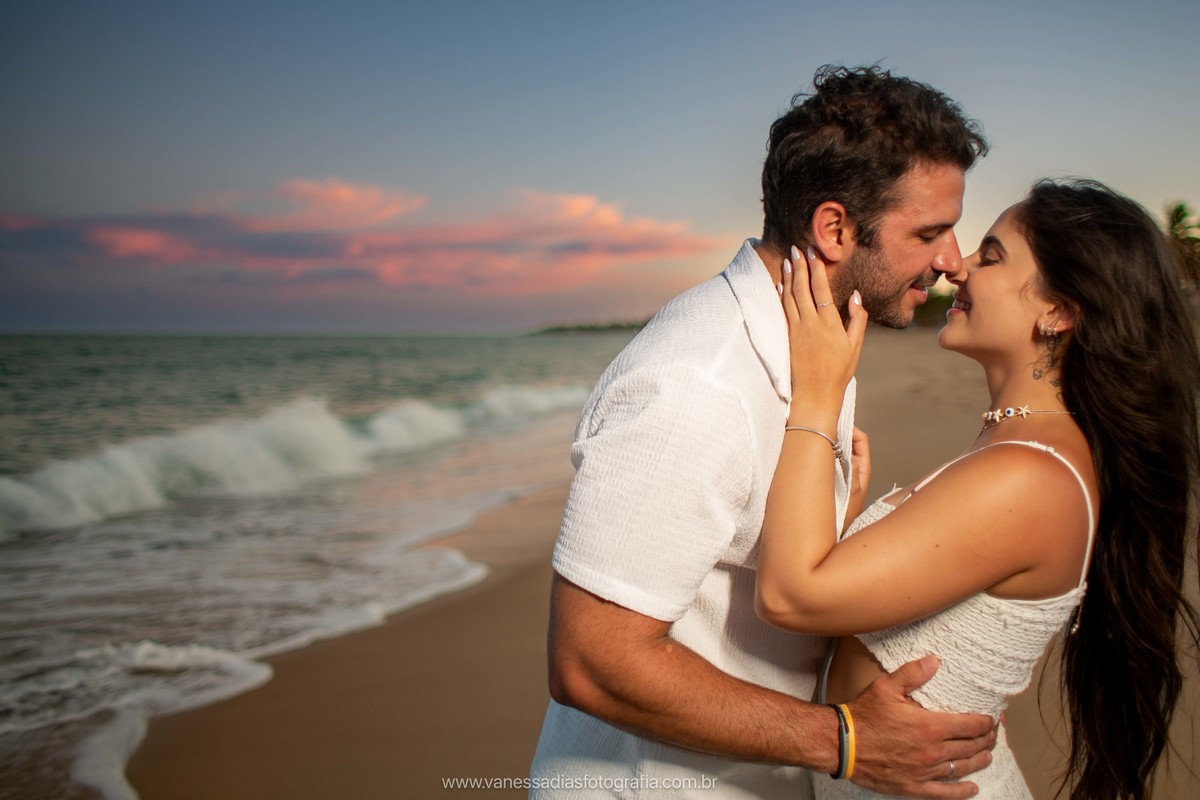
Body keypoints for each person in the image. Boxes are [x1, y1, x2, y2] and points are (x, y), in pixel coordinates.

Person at [530, 66, 996, 799]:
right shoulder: (696, 382)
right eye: (930, 233)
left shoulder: (814, 338)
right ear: (835, 228)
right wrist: (845, 740)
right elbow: (591, 660)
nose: (952, 261)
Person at [757, 179, 1200, 799]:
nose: (956, 266)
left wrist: (818, 392)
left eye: (990, 256)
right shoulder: (1021, 451)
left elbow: (789, 598)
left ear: (1059, 310)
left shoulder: (1031, 475)